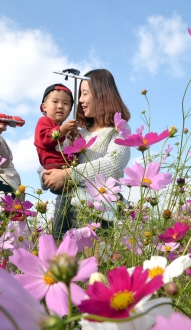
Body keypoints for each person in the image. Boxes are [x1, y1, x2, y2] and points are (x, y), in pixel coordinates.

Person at [41, 69, 131, 237]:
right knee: (62, 257)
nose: (80, 100)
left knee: (95, 260)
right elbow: (55, 157)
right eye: (80, 95)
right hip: (66, 205)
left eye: (85, 93)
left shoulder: (118, 129)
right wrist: (46, 176)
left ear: (101, 94)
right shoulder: (78, 133)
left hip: (98, 209)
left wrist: (68, 174)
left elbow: (113, 165)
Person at [34, 84, 78, 194]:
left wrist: (75, 136)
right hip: (53, 169)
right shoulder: (44, 122)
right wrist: (63, 129)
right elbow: (45, 139)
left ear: (70, 110)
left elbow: (77, 148)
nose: (60, 106)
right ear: (44, 107)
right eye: (55, 102)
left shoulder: (68, 127)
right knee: (64, 204)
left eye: (65, 103)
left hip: (69, 170)